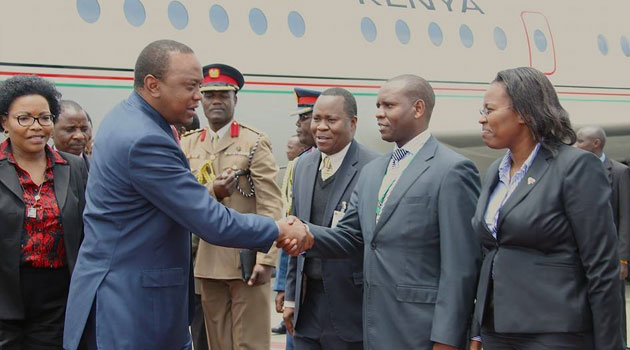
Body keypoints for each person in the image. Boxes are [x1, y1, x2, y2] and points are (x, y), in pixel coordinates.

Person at [62, 40, 312, 350]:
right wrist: (278, 229)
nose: (199, 98)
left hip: (126, 296)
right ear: (153, 85)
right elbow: (211, 221)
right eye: (190, 87)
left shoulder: (128, 118)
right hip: (131, 308)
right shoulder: (144, 139)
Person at [302, 75, 482, 349]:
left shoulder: (452, 170)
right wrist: (304, 233)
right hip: (374, 327)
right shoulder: (373, 171)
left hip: (421, 331)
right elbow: (351, 237)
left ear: (418, 109)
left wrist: (447, 338)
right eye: (377, 106)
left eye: (388, 106)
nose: (378, 113)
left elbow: (461, 267)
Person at [472, 67, 621, 350]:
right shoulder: (495, 172)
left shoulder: (575, 167)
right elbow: (492, 252)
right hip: (497, 330)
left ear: (524, 114)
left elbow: (601, 265)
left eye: (489, 109)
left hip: (555, 333)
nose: (482, 118)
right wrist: (477, 329)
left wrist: (609, 345)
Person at [180, 63, 283, 350]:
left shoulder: (254, 142)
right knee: (217, 343)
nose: (216, 101)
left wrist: (268, 260)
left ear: (235, 100)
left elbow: (271, 203)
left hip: (246, 260)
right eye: (210, 95)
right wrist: (211, 191)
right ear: (201, 99)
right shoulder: (188, 145)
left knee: (249, 342)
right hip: (206, 259)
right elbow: (183, 199)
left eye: (223, 95)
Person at [284, 87, 378, 350]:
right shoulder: (303, 165)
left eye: (331, 120)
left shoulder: (373, 168)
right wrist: (291, 298)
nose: (321, 127)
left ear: (353, 123)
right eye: (316, 119)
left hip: (349, 308)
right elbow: (294, 233)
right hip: (307, 305)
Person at [0, 75, 88, 349]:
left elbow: (89, 229)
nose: (36, 127)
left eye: (44, 118)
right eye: (24, 118)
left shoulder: (75, 167)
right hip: (4, 295)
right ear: (4, 122)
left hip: (58, 299)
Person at [274, 88, 320, 350]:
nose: (298, 124)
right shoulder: (298, 166)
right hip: (299, 283)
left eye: (304, 117)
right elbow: (288, 231)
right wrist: (283, 286)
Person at [575, 125, 630, 348]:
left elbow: (626, 216)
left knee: (614, 308)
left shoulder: (618, 172)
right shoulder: (575, 170)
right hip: (583, 254)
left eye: (580, 141)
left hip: (610, 256)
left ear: (595, 144)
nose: (575, 146)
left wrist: (623, 258)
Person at [52, 100, 91, 168]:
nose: (80, 136)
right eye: (70, 129)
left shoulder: (99, 168)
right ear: (51, 131)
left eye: (84, 129)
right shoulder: (39, 166)